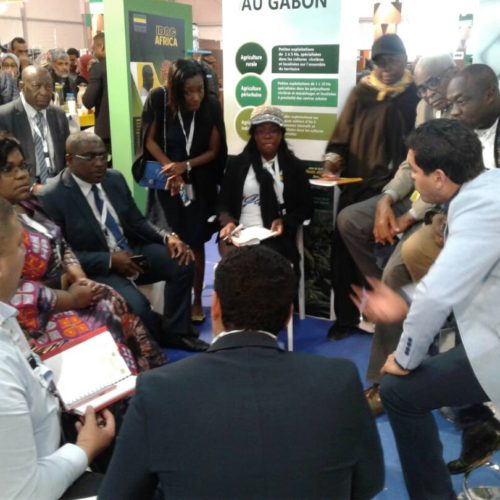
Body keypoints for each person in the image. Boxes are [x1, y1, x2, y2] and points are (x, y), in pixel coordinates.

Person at [99, 245, 384, 499]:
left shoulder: (157, 390)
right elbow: (369, 483)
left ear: (216, 307)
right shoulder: (340, 380)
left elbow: (120, 493)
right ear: (288, 314)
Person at [351, 119, 500, 499]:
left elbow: (438, 295)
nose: (412, 180)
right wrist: (403, 300)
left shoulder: (479, 212)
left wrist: (404, 359)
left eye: (414, 171)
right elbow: (457, 277)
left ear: (439, 177)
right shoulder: (488, 188)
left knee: (399, 391)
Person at [335, 54, 458, 412]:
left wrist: (408, 218)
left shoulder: (467, 114)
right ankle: (383, 294)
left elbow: (451, 179)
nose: (428, 93)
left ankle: (382, 380)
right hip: (415, 194)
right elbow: (410, 165)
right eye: (421, 87)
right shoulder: (424, 108)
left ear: (453, 74)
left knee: (395, 271)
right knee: (350, 220)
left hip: (441, 207)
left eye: (433, 83)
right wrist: (387, 200)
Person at [0, 132, 165, 371]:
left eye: (22, 166)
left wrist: (79, 277)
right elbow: (16, 292)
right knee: (104, 333)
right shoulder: (24, 213)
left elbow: (62, 244)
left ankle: (147, 376)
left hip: (72, 288)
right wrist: (70, 297)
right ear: (70, 160)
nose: (22, 175)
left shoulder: (29, 205)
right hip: (34, 320)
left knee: (111, 303)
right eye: (8, 169)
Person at [39, 132, 208, 352]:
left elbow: (138, 222)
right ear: (69, 160)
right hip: (98, 267)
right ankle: (154, 340)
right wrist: (109, 260)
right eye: (90, 157)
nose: (99, 163)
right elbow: (62, 255)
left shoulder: (114, 179)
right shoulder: (52, 196)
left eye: (103, 156)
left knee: (182, 261)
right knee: (138, 306)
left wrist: (167, 237)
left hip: (131, 251)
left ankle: (177, 333)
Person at [0, 196, 115, 499]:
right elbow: (24, 493)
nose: (26, 254)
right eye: (20, 245)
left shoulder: (5, 316)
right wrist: (84, 449)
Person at [324, 33, 419, 340]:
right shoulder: (361, 93)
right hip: (357, 186)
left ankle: (388, 315)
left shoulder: (415, 95)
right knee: (343, 256)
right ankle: (346, 317)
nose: (387, 68)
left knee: (394, 256)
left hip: (400, 190)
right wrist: (331, 165)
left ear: (404, 59)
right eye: (380, 62)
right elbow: (339, 140)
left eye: (393, 60)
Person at [135, 58, 227, 324]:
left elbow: (214, 150)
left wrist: (185, 166)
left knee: (195, 242)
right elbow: (149, 141)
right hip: (167, 183)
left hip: (198, 180)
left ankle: (197, 301)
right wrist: (170, 168)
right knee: (168, 240)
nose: (195, 97)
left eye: (199, 90)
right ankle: (172, 304)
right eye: (188, 92)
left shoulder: (210, 105)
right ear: (176, 90)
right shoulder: (158, 99)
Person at [217, 105, 313, 275]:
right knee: (233, 265)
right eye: (261, 131)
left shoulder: (294, 167)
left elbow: (306, 208)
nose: (267, 135)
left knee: (265, 265)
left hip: (273, 235)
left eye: (273, 130)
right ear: (254, 135)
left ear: (281, 134)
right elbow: (223, 203)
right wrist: (228, 222)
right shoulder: (237, 165)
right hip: (239, 232)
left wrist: (284, 222)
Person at [0, 66, 69, 188]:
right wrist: (31, 187)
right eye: (36, 86)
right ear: (21, 86)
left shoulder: (58, 114)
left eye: (49, 86)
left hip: (58, 184)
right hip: (23, 187)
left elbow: (66, 155)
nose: (44, 92)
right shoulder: (5, 116)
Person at [83, 32, 111, 155]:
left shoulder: (98, 69)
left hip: (106, 132)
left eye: (93, 49)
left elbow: (88, 101)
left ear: (101, 47)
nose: (92, 53)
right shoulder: (125, 66)